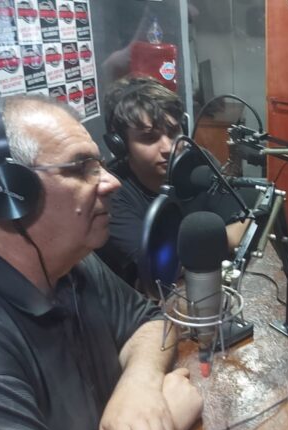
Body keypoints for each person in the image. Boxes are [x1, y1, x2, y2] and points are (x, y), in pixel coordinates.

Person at [0, 95, 202, 430]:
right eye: (80, 168)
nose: (112, 182)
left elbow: (149, 320)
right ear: (8, 192)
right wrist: (161, 429)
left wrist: (139, 386)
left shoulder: (67, 257)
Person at [96, 76, 250, 288]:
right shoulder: (113, 193)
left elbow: (245, 225)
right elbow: (160, 268)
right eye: (149, 138)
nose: (168, 147)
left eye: (173, 132)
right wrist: (225, 239)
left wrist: (192, 251)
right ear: (120, 145)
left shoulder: (197, 161)